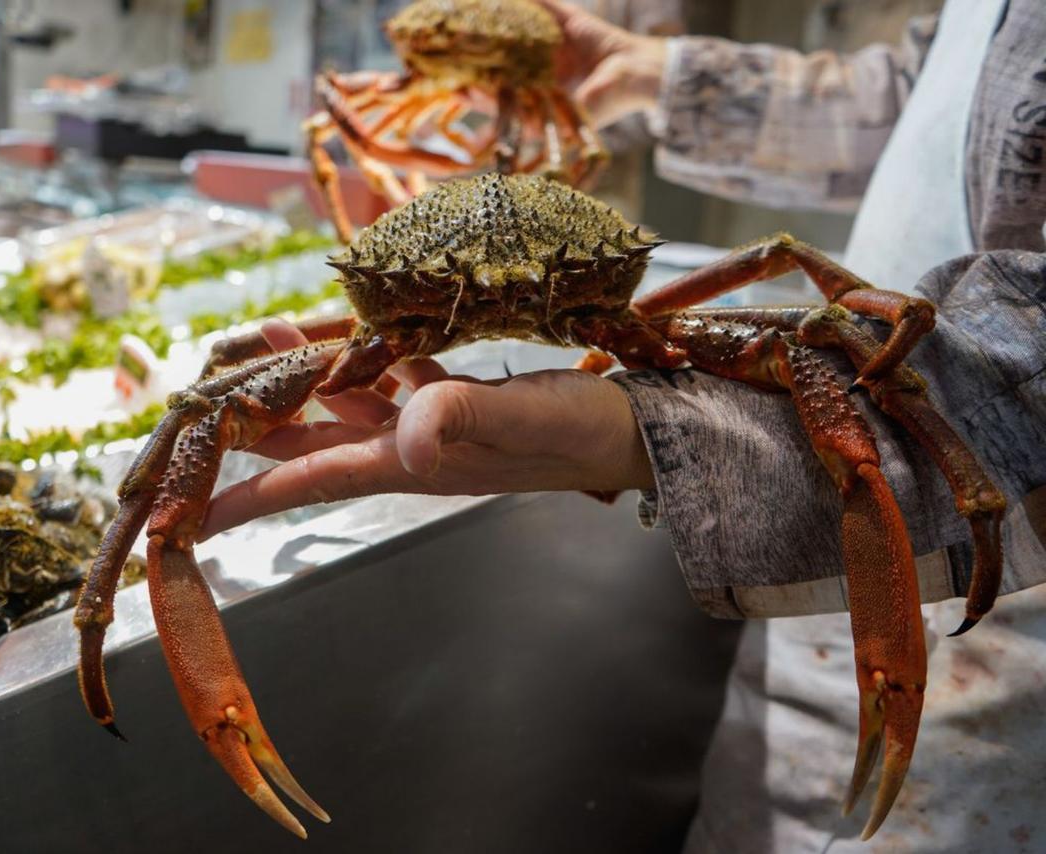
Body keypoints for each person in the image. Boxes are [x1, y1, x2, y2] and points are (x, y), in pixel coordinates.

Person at [201, 0, 1046, 850]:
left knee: (817, 365)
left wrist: (666, 427)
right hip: (804, 620)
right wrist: (660, 78)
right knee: (195, 427)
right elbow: (921, 98)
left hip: (1014, 608)